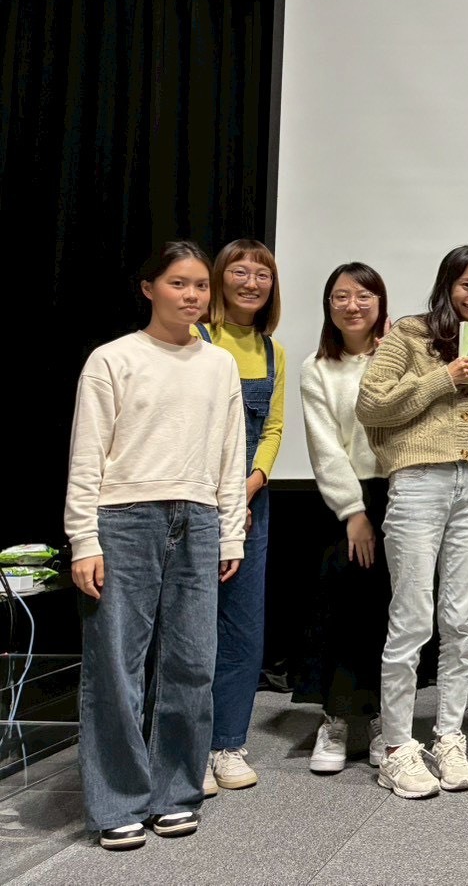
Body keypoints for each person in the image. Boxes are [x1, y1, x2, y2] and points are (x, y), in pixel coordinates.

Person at [66, 241, 246, 849]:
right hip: (124, 519)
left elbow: (231, 455)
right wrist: (83, 539)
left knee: (192, 664)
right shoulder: (113, 359)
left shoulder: (219, 364)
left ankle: (175, 793)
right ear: (149, 289)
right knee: (117, 665)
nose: (192, 295)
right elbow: (86, 456)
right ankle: (118, 802)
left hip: (199, 518)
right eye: (178, 283)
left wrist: (230, 530)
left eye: (200, 285)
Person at [356, 245, 468, 799]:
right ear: (447, 286)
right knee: (412, 619)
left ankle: (448, 736)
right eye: (467, 285)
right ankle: (397, 746)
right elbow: (371, 405)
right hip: (418, 482)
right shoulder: (409, 334)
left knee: (460, 622)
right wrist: (445, 376)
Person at [196, 238, 287, 795]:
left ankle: (227, 744)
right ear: (218, 278)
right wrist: (223, 497)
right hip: (196, 496)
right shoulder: (195, 339)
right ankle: (186, 745)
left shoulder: (273, 351)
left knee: (242, 628)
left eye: (263, 274)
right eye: (240, 271)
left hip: (252, 502)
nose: (252, 282)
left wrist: (248, 491)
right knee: (191, 626)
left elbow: (272, 430)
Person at [299, 262, 392, 775]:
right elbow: (325, 446)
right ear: (328, 305)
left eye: (363, 296)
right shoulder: (317, 368)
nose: (352, 305)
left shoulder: (398, 356)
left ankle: (381, 719)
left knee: (390, 612)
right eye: (341, 296)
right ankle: (334, 719)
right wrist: (354, 512)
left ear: (380, 302)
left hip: (399, 492)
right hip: (346, 501)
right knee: (340, 609)